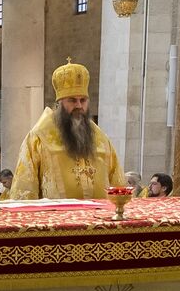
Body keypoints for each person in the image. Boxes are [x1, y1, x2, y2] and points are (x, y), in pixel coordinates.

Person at [8, 60, 124, 200]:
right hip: (57, 219)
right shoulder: (39, 137)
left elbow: (118, 184)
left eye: (83, 100)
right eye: (72, 100)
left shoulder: (101, 139)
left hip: (98, 218)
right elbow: (24, 191)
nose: (79, 105)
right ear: (59, 103)